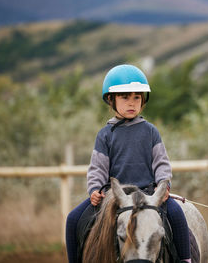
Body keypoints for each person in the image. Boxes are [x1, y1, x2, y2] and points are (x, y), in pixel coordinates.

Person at [65, 64, 191, 263]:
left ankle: (185, 259)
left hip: (148, 193)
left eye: (137, 97)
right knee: (73, 219)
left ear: (143, 100)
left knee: (177, 214)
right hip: (114, 196)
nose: (132, 103)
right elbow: (97, 168)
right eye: (125, 97)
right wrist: (94, 189)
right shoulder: (105, 135)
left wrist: (163, 185)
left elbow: (162, 164)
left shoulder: (150, 131)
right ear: (110, 99)